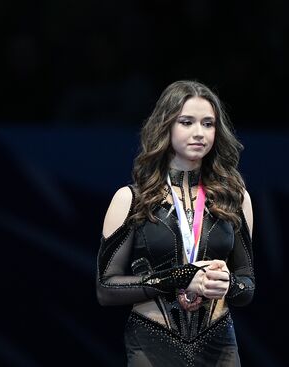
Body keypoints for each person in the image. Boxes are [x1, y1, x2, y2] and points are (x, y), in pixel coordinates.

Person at [96, 80, 254, 366]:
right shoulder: (131, 199)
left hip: (219, 344)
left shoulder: (235, 197)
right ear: (166, 126)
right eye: (186, 122)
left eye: (208, 124)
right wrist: (178, 279)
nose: (199, 133)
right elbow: (105, 288)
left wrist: (229, 286)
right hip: (151, 341)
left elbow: (248, 283)